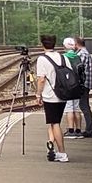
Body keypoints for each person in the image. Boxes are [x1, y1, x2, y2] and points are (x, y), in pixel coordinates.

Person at [35, 34, 69, 162]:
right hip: (62, 94)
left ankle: (62, 153)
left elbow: (41, 79)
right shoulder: (62, 57)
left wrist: (38, 94)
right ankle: (51, 144)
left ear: (42, 44)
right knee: (54, 121)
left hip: (50, 96)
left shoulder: (42, 59)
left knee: (55, 123)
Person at [67, 36, 92, 138]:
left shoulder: (82, 54)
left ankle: (89, 130)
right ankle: (89, 129)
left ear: (76, 44)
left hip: (83, 84)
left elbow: (78, 67)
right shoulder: (85, 52)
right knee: (84, 105)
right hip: (86, 83)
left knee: (84, 106)